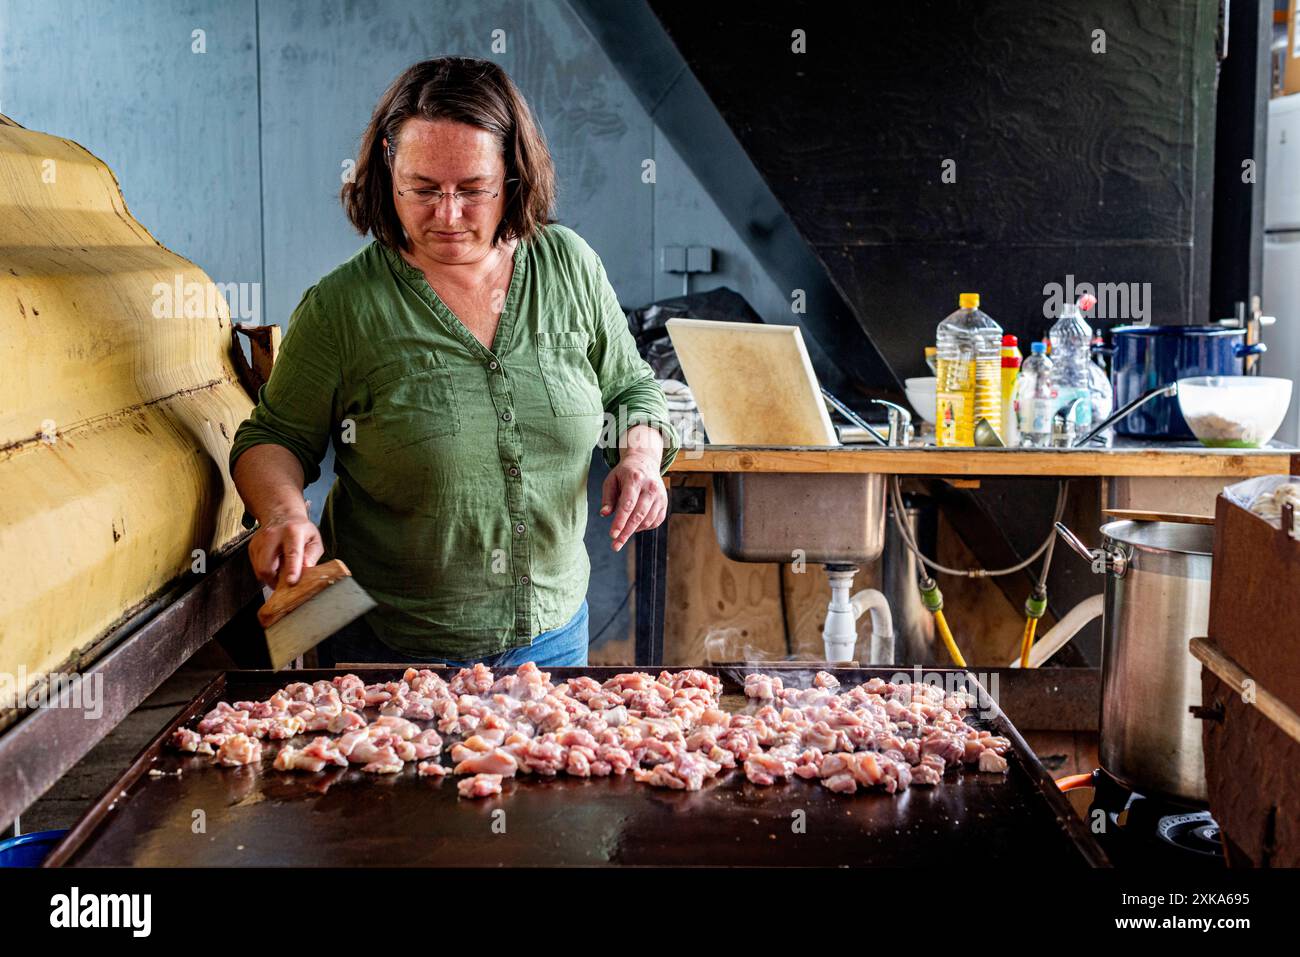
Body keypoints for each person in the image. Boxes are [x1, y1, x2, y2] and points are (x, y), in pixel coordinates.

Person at [229, 57, 678, 667]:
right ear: (387, 171)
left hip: (553, 637)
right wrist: (281, 514)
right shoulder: (343, 308)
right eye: (421, 188)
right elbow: (273, 437)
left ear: (513, 178)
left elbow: (631, 391)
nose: (446, 215)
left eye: (472, 190)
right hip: (391, 649)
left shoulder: (569, 267)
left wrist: (640, 457)